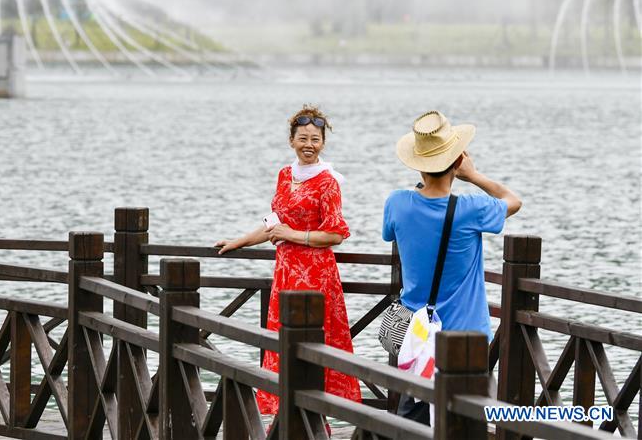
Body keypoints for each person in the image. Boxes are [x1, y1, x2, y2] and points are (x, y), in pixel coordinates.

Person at [215, 105, 362, 417]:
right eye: (303, 138)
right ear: (292, 141)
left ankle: (315, 419)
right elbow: (274, 223)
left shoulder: (328, 182)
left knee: (313, 346)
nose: (309, 144)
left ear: (323, 143)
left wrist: (293, 234)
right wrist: (238, 242)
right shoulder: (284, 175)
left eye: (316, 139)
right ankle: (284, 415)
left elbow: (335, 234)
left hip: (316, 274)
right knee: (283, 343)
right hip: (286, 272)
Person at [383, 110, 522, 424]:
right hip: (467, 336)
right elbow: (513, 200)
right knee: (470, 422)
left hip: (415, 334)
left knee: (411, 423)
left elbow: (389, 233)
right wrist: (473, 176)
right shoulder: (471, 209)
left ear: (418, 162)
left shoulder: (397, 203)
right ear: (457, 160)